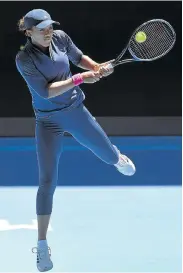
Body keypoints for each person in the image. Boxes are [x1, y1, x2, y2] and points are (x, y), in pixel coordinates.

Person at [15, 8, 136, 272]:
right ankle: (43, 245)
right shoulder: (24, 59)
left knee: (109, 157)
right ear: (28, 32)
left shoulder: (60, 38)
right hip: (47, 121)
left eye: (50, 26)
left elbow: (79, 58)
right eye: (42, 28)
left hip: (75, 113)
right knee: (46, 181)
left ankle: (116, 155)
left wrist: (95, 68)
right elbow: (46, 92)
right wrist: (81, 78)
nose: (48, 31)